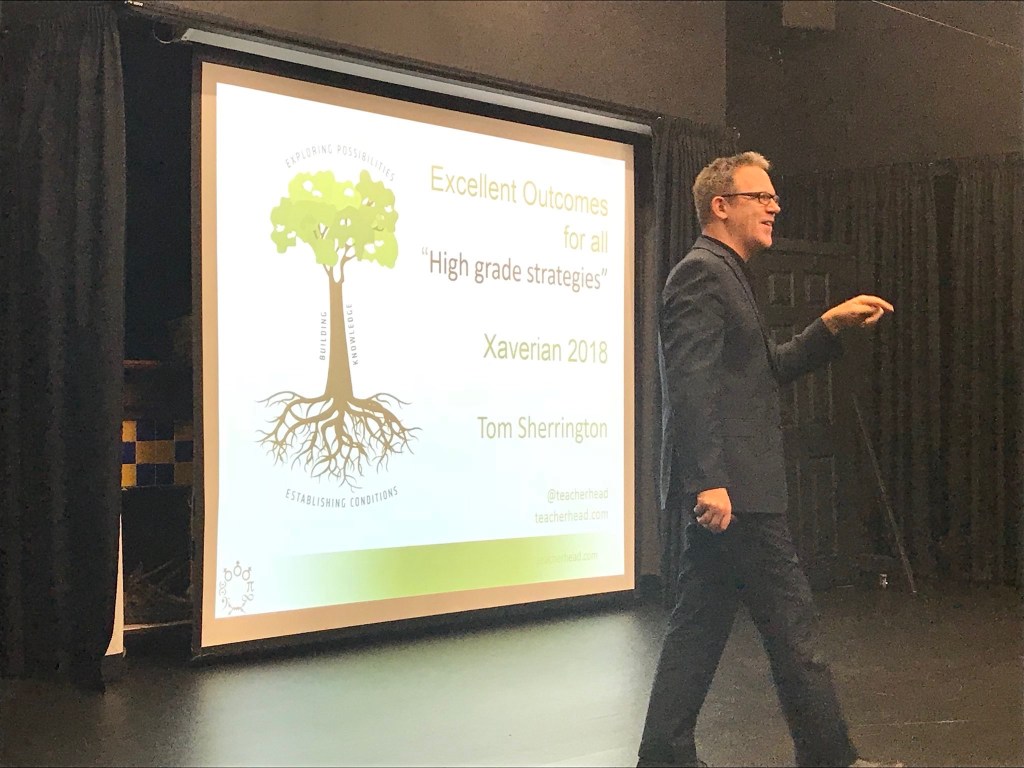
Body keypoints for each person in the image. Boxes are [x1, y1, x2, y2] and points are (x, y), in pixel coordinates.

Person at [637, 151, 901, 768]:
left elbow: (768, 369)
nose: (775, 206)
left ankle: (664, 756)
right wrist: (709, 481)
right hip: (738, 496)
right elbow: (691, 385)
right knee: (793, 628)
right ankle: (830, 758)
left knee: (697, 631)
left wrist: (827, 326)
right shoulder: (701, 274)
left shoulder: (727, 274)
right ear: (720, 205)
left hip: (737, 492)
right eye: (762, 196)